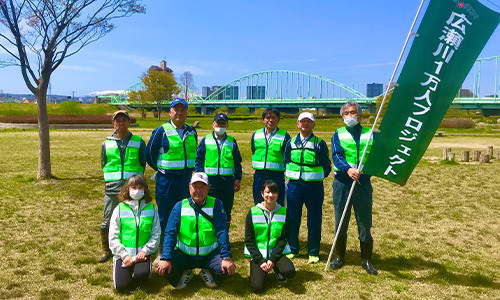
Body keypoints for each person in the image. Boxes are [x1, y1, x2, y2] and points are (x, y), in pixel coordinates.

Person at [157, 172, 236, 289]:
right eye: (195, 186)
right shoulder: (180, 206)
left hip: (209, 254)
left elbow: (222, 232)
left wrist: (226, 257)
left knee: (227, 270)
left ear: (208, 188)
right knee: (164, 270)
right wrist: (166, 258)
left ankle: (206, 271)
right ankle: (187, 272)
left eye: (202, 187)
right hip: (185, 254)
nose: (198, 190)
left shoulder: (216, 204)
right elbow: (170, 234)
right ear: (189, 188)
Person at [146, 98, 197, 264]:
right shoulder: (161, 131)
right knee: (165, 216)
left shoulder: (192, 132)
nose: (179, 113)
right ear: (170, 112)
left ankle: (181, 249)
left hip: (186, 181)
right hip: (166, 181)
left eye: (182, 109)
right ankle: (162, 252)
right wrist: (161, 169)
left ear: (186, 113)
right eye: (176, 109)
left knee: (185, 214)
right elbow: (149, 155)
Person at [330, 101, 377, 275]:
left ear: (360, 115)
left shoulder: (370, 134)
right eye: (346, 113)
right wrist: (348, 169)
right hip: (343, 182)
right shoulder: (338, 134)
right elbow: (336, 155)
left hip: (363, 184)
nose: (350, 116)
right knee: (341, 221)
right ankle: (339, 257)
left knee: (364, 222)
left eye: (353, 112)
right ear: (342, 116)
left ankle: (366, 259)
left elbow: (378, 156)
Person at [284, 112, 331, 264]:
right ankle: (292, 248)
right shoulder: (291, 142)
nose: (305, 124)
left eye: (308, 122)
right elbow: (286, 161)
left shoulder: (319, 143)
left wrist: (315, 177)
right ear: (297, 124)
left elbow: (326, 165)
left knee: (314, 219)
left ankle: (313, 251)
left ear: (313, 125)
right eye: (302, 121)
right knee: (292, 217)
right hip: (294, 186)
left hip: (314, 187)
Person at [99, 110, 146, 263]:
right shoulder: (107, 143)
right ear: (113, 123)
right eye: (117, 120)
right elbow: (104, 163)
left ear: (129, 122)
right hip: (112, 189)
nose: (121, 122)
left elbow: (142, 163)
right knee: (107, 222)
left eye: (124, 119)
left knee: (135, 222)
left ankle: (137, 249)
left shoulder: (139, 142)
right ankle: (106, 251)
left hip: (133, 190)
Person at [108, 175, 160, 292]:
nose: (137, 190)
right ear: (128, 189)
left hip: (142, 256)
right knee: (121, 286)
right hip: (124, 256)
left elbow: (156, 234)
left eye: (140, 187)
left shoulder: (152, 208)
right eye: (134, 187)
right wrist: (124, 255)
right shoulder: (119, 209)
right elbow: (113, 237)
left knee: (142, 275)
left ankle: (142, 271)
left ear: (145, 189)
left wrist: (145, 251)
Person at [244, 180, 296, 293]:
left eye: (274, 192)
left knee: (290, 271)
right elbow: (249, 240)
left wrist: (272, 259)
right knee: (257, 288)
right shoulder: (253, 212)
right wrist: (260, 261)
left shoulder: (283, 212)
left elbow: (283, 239)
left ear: (278, 194)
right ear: (262, 194)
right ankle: (261, 270)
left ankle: (278, 271)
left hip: (275, 254)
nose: (270, 195)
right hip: (259, 254)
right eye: (267, 192)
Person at [195, 113, 242, 229]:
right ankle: (210, 235)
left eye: (223, 123)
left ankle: (224, 237)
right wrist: (201, 178)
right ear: (213, 124)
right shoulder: (206, 140)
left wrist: (237, 178)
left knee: (226, 209)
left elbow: (237, 162)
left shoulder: (232, 141)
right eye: (218, 123)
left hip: (227, 181)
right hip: (210, 181)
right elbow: (199, 160)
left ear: (227, 126)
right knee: (208, 208)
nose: (220, 126)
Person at [251, 108, 291, 206]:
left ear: (278, 120)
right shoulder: (256, 135)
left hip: (276, 176)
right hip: (260, 175)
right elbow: (253, 150)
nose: (270, 120)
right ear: (263, 119)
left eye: (273, 117)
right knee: (259, 202)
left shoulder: (284, 136)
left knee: (277, 203)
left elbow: (288, 156)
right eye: (267, 117)